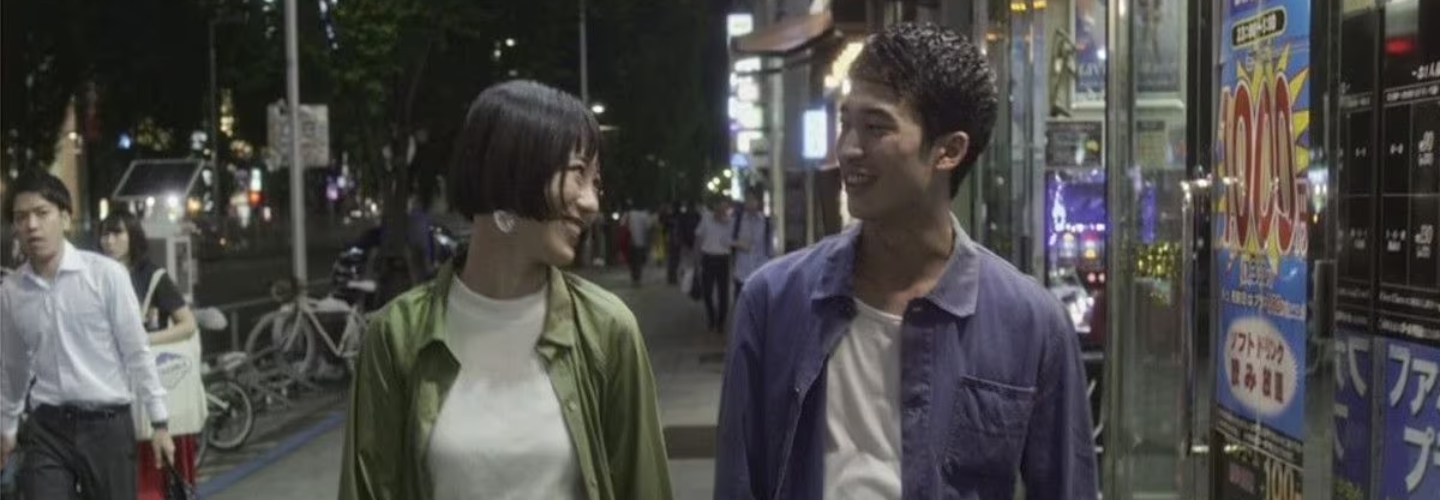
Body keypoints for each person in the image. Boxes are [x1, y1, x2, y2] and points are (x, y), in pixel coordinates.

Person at [713, 23, 1098, 500]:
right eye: (845, 123)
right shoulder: (773, 302)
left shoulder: (1031, 324)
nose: (849, 148)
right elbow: (738, 482)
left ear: (948, 150)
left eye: (876, 127)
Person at [339, 80, 672, 500]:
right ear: (512, 173)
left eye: (596, 182)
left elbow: (644, 488)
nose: (591, 203)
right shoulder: (395, 336)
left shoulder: (607, 331)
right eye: (577, 175)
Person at [1, 169, 175, 500]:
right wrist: (6, 427)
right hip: (47, 429)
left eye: (41, 213)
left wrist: (160, 422)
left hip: (107, 426)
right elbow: (12, 368)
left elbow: (136, 351)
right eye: (21, 217)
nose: (32, 225)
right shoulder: (11, 291)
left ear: (65, 219)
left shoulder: (106, 276)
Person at [98, 210, 204, 500]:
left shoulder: (153, 276)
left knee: (152, 483)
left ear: (133, 236)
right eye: (105, 234)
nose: (109, 241)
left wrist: (145, 339)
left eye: (117, 233)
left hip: (150, 391)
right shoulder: (94, 276)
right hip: (111, 390)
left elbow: (188, 324)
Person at [693, 197, 734, 335]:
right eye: (720, 207)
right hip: (708, 258)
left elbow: (734, 241)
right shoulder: (706, 219)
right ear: (715, 206)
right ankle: (711, 317)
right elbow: (698, 240)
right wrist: (696, 261)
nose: (722, 211)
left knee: (724, 293)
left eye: (725, 208)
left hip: (723, 259)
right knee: (707, 292)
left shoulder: (731, 222)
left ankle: (721, 323)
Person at [729, 190, 772, 300]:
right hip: (741, 272)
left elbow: (770, 246)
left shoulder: (766, 222)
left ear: (758, 202)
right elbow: (725, 239)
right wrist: (738, 243)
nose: (750, 203)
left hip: (760, 272)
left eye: (753, 199)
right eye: (747, 200)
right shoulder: (737, 220)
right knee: (740, 309)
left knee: (759, 310)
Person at [621, 201, 653, 286]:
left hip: (629, 242)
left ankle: (634, 277)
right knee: (638, 261)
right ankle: (637, 278)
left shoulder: (627, 214)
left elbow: (622, 225)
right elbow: (648, 229)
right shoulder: (644, 215)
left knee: (631, 261)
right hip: (640, 242)